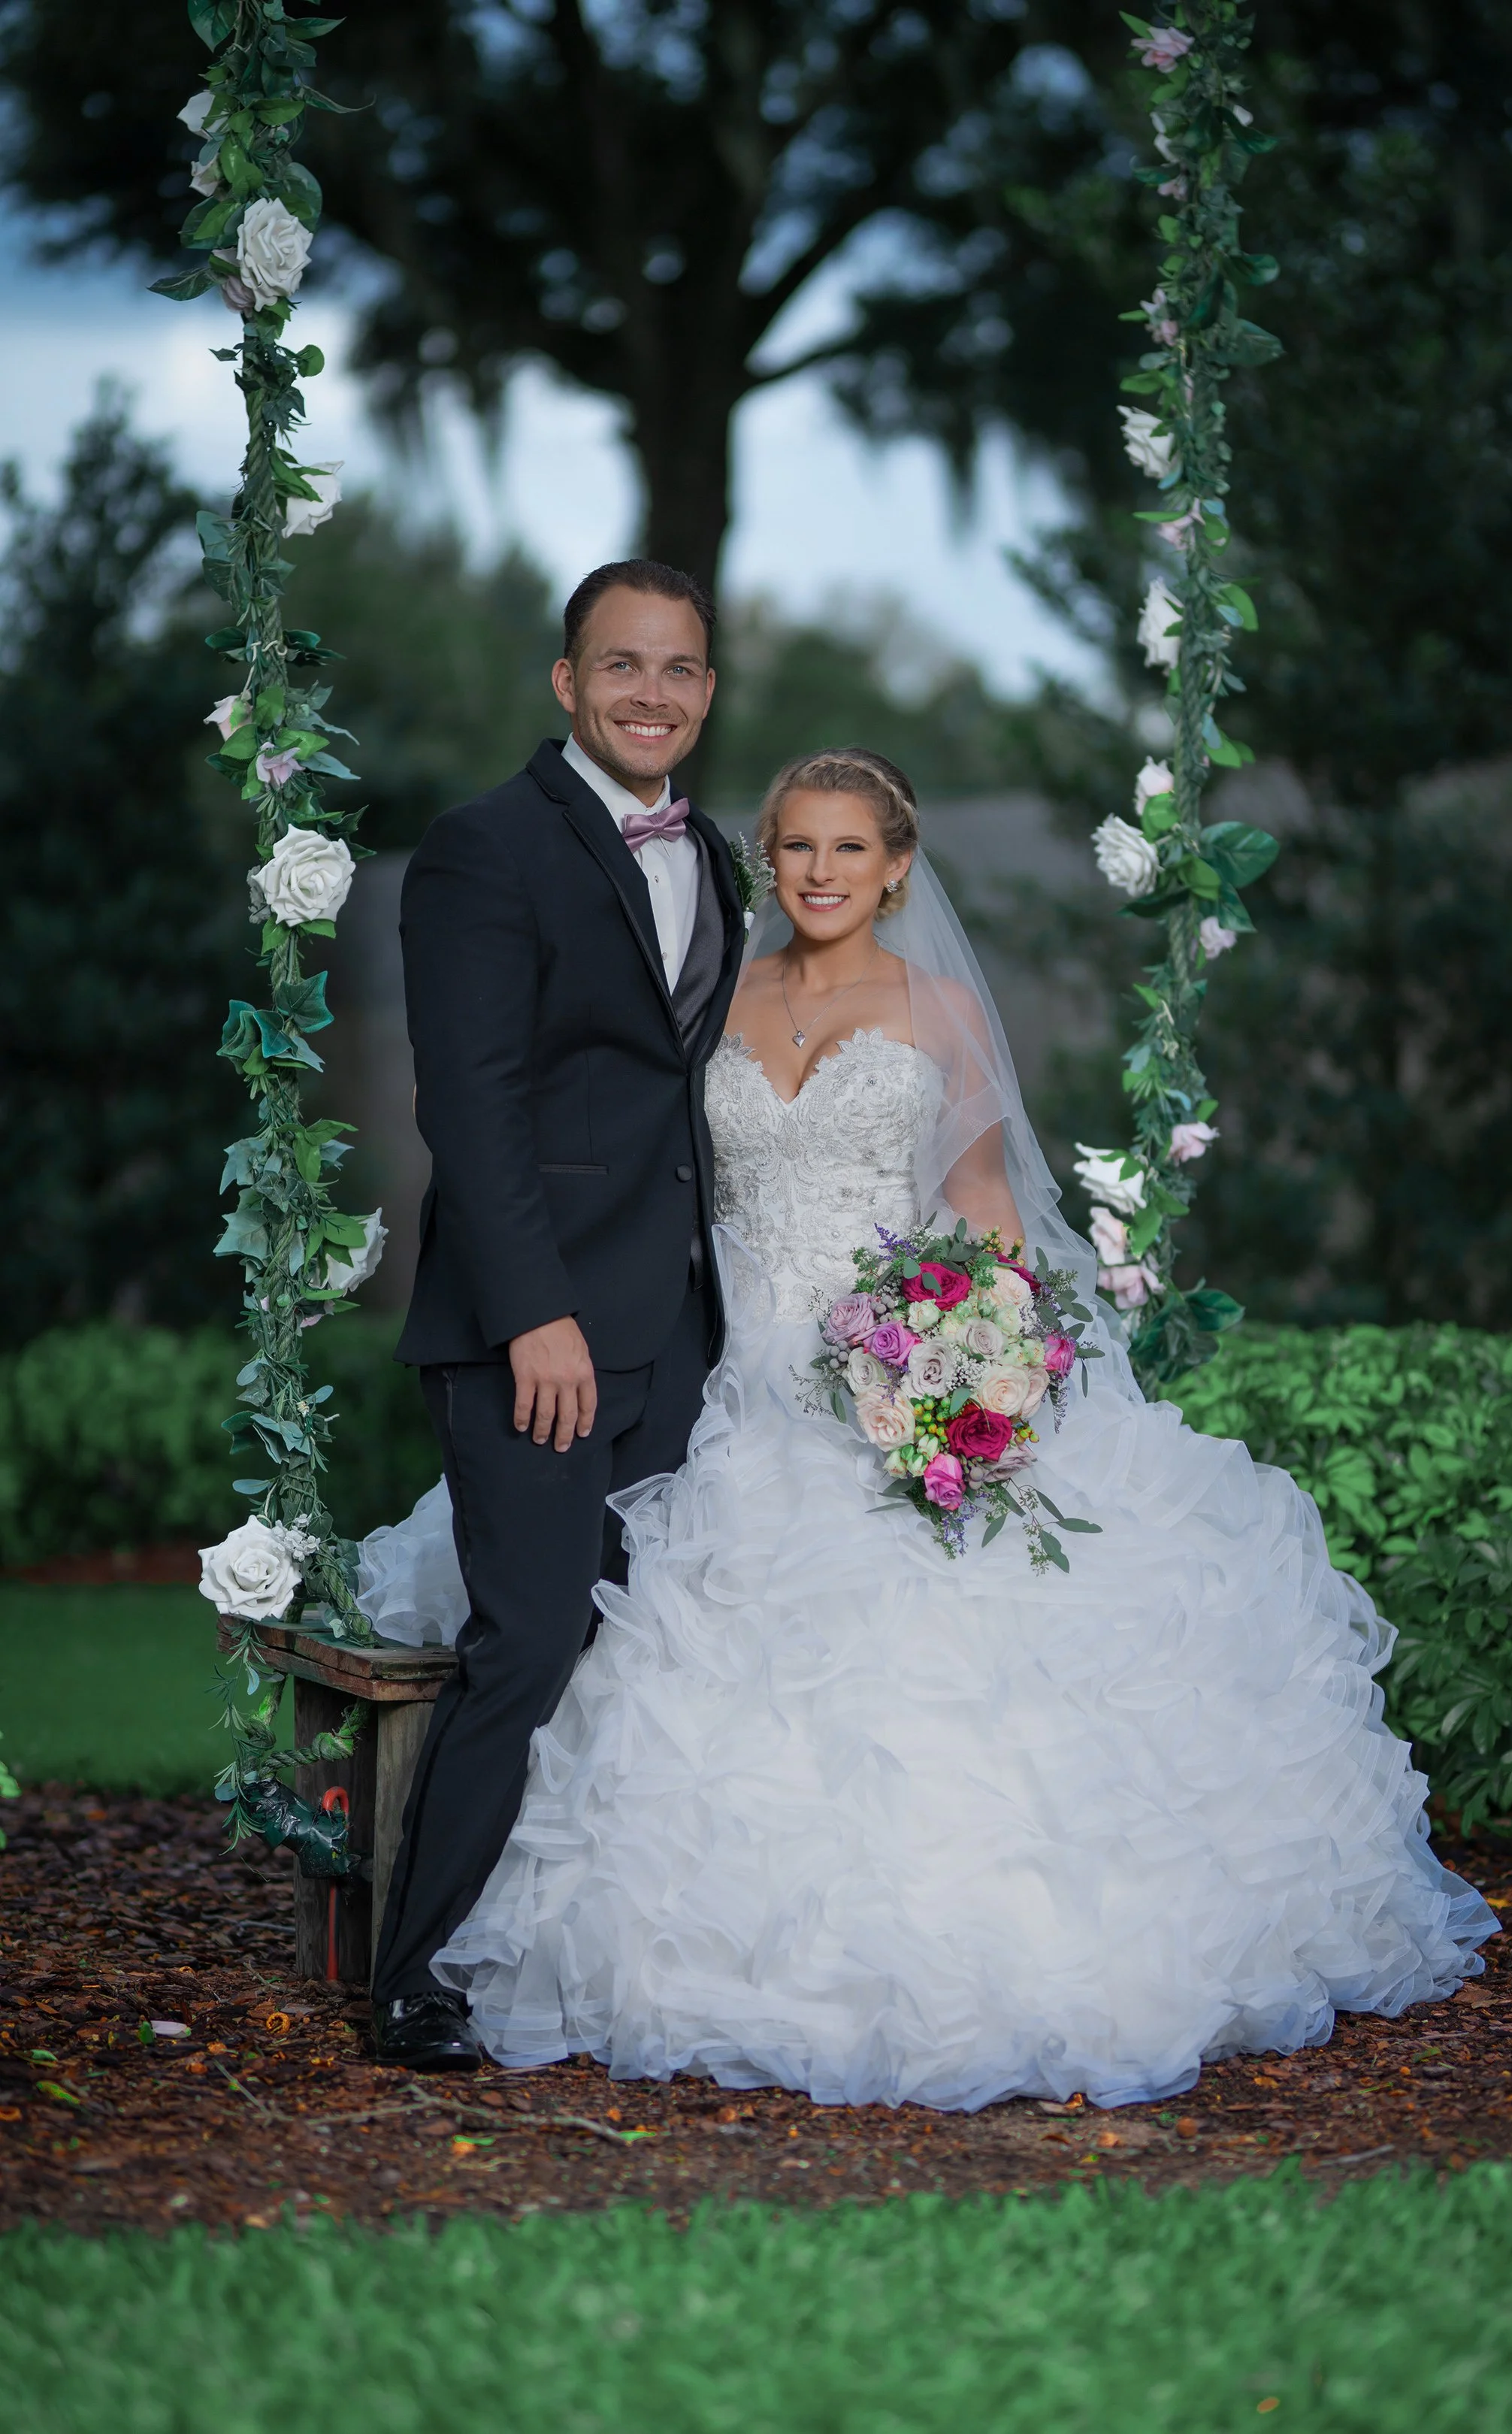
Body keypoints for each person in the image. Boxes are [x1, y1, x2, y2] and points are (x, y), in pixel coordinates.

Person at [361, 746, 1495, 2109]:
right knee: (626, 1625)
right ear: (764, 863)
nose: (822, 872)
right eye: (797, 848)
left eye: (850, 849)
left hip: (885, 1362)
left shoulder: (939, 1005)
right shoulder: (712, 997)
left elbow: (985, 1204)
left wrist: (976, 1362)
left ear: (897, 866)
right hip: (719, 1375)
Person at [367, 559, 748, 2069]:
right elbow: (469, 1099)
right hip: (536, 1332)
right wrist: (535, 1314)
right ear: (565, 681)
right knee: (526, 1640)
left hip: (682, 1324)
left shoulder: (713, 855)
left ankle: (612, 1946)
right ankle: (413, 1976)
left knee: (646, 1643)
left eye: (680, 669)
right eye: (621, 665)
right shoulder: (484, 850)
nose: (651, 693)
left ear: (708, 691)